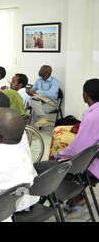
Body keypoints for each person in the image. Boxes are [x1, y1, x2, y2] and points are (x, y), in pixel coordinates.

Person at [34, 79, 99, 211]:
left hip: (89, 165)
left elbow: (77, 150)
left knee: (36, 168)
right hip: (93, 161)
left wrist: (58, 155)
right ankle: (76, 196)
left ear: (85, 95)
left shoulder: (93, 116)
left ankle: (37, 204)